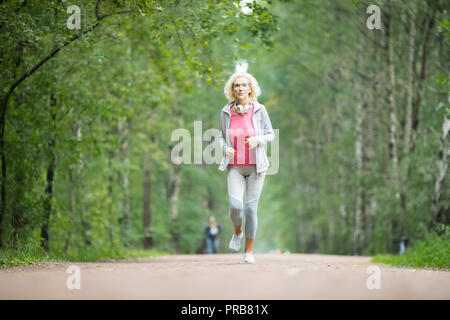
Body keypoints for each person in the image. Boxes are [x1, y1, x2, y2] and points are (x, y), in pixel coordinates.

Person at [218, 63, 275, 263]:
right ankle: (237, 231)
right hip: (235, 166)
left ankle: (248, 252)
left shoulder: (260, 110)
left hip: (256, 168)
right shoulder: (226, 112)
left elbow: (270, 135)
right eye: (236, 85)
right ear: (232, 90)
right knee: (235, 207)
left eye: (244, 85)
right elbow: (221, 137)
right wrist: (225, 148)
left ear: (251, 88)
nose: (240, 88)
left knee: (250, 209)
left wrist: (258, 140)